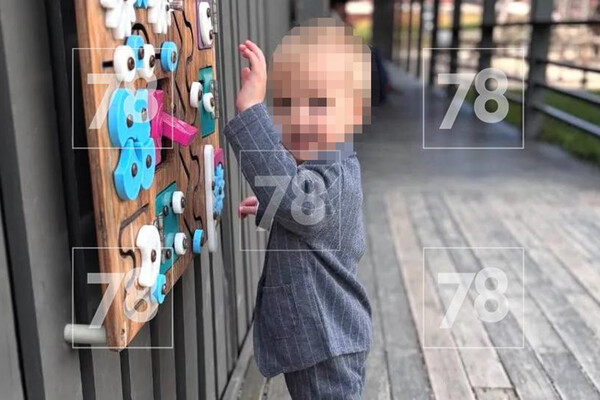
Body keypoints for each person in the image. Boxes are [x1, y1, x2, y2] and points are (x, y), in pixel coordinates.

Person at [222, 18, 372, 399]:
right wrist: (271, 204)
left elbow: (299, 201)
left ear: (354, 114)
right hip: (321, 339)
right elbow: (303, 212)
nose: (300, 118)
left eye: (318, 104)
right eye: (286, 104)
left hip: (327, 341)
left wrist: (251, 110)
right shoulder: (324, 170)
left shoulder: (334, 176)